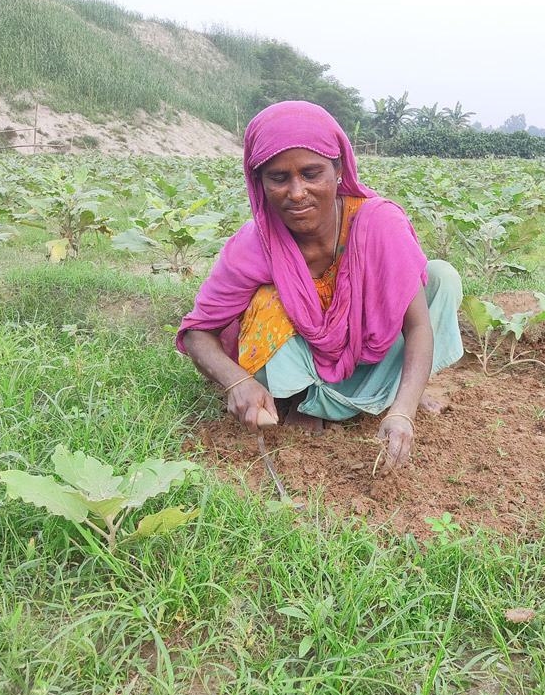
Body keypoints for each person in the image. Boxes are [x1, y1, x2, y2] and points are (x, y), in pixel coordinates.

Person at [177, 101, 463, 470]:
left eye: (312, 173)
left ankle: (401, 390)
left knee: (439, 277)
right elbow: (199, 331)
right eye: (278, 178)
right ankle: (304, 400)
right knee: (266, 301)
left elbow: (419, 325)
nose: (296, 193)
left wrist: (404, 411)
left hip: (370, 354)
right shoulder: (256, 244)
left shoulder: (378, 224)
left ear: (339, 169)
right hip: (305, 369)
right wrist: (235, 381)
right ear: (258, 181)